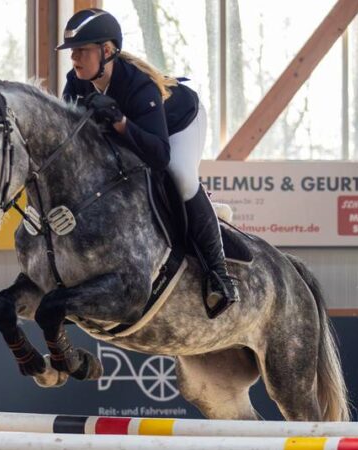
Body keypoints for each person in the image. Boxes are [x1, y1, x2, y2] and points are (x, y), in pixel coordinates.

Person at [57, 8, 239, 318]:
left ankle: (219, 273)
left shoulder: (139, 87)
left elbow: (158, 154)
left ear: (107, 51)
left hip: (180, 122)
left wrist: (121, 123)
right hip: (138, 133)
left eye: (82, 51)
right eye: (73, 52)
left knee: (180, 176)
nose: (74, 59)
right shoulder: (76, 83)